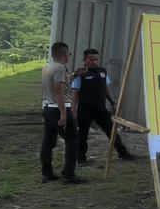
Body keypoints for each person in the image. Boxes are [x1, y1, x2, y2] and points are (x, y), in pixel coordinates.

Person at [71, 48, 135, 164]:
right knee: (82, 135)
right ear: (85, 60)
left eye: (96, 59)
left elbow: (105, 88)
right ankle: (81, 159)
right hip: (84, 110)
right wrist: (73, 110)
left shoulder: (102, 72)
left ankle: (123, 153)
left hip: (100, 109)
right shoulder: (80, 74)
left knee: (112, 131)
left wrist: (112, 101)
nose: (94, 62)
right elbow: (75, 94)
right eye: (91, 59)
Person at [40, 41, 82, 184]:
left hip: (47, 107)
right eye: (69, 53)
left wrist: (74, 74)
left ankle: (47, 173)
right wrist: (64, 114)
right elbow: (59, 92)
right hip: (59, 109)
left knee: (48, 141)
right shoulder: (60, 69)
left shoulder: (48, 67)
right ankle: (69, 174)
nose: (69, 56)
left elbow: (56, 84)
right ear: (64, 54)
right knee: (72, 140)